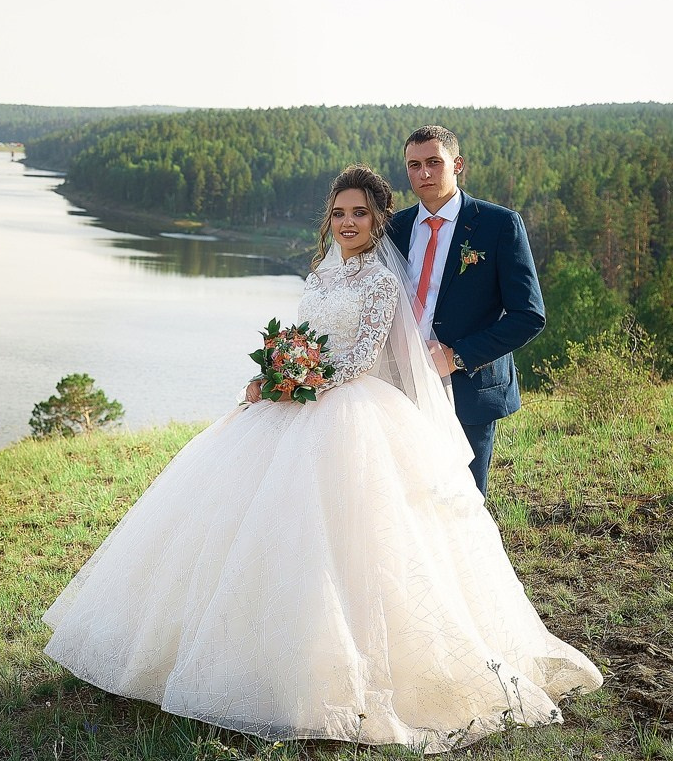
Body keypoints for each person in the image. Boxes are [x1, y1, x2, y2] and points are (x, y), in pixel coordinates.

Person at [43, 165, 601, 754]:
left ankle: (334, 674)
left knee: (348, 540)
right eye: (339, 213)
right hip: (295, 399)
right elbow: (300, 333)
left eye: (360, 213)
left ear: (378, 220)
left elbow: (360, 356)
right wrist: (272, 376)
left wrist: (304, 379)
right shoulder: (319, 274)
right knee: (255, 527)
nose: (348, 223)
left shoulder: (384, 283)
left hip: (350, 410)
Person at [387, 126, 545, 495]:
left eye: (433, 162)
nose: (423, 173)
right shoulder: (395, 227)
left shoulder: (498, 225)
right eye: (414, 165)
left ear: (457, 164)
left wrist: (458, 356)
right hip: (399, 386)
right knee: (405, 498)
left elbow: (529, 315)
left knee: (463, 501)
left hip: (467, 388)